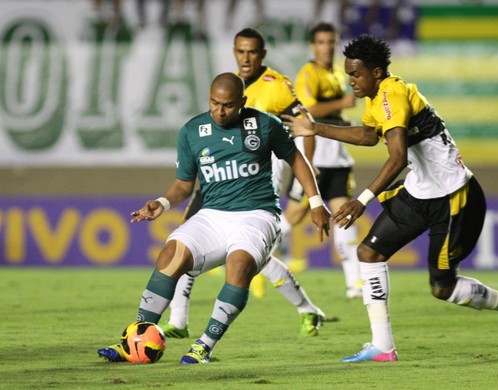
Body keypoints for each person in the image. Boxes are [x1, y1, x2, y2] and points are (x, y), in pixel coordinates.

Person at [282, 34, 498, 363]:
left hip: (455, 199)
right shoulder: (377, 99)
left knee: (442, 289)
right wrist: (315, 128)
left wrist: (362, 200)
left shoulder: (393, 94)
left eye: (356, 74)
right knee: (368, 253)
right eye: (348, 74)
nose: (350, 81)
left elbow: (397, 157)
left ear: (375, 72)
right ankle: (383, 346)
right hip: (420, 193)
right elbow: (367, 135)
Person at [97, 72, 331, 364]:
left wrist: (316, 202)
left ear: (242, 102)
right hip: (213, 215)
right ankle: (134, 340)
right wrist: (162, 202)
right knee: (170, 255)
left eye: (228, 105)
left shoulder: (264, 124)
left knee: (240, 264)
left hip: (257, 214)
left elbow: (296, 159)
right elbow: (184, 185)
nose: (220, 111)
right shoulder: (192, 131)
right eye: (214, 103)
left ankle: (203, 346)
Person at [160, 27, 328, 340]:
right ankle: (179, 320)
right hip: (219, 174)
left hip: (257, 178)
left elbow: (303, 127)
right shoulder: (228, 85)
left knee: (251, 257)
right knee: (187, 240)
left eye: (252, 52)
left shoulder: (276, 86)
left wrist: (310, 167)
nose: (246, 57)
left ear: (262, 54)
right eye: (240, 51)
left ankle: (306, 308)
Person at [283, 22, 362, 298]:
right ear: (312, 46)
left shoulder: (338, 74)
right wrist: (341, 104)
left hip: (338, 155)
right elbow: (309, 111)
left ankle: (355, 283)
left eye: (331, 42)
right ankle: (257, 258)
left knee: (344, 216)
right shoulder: (308, 73)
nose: (327, 47)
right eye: (322, 42)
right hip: (312, 153)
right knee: (293, 215)